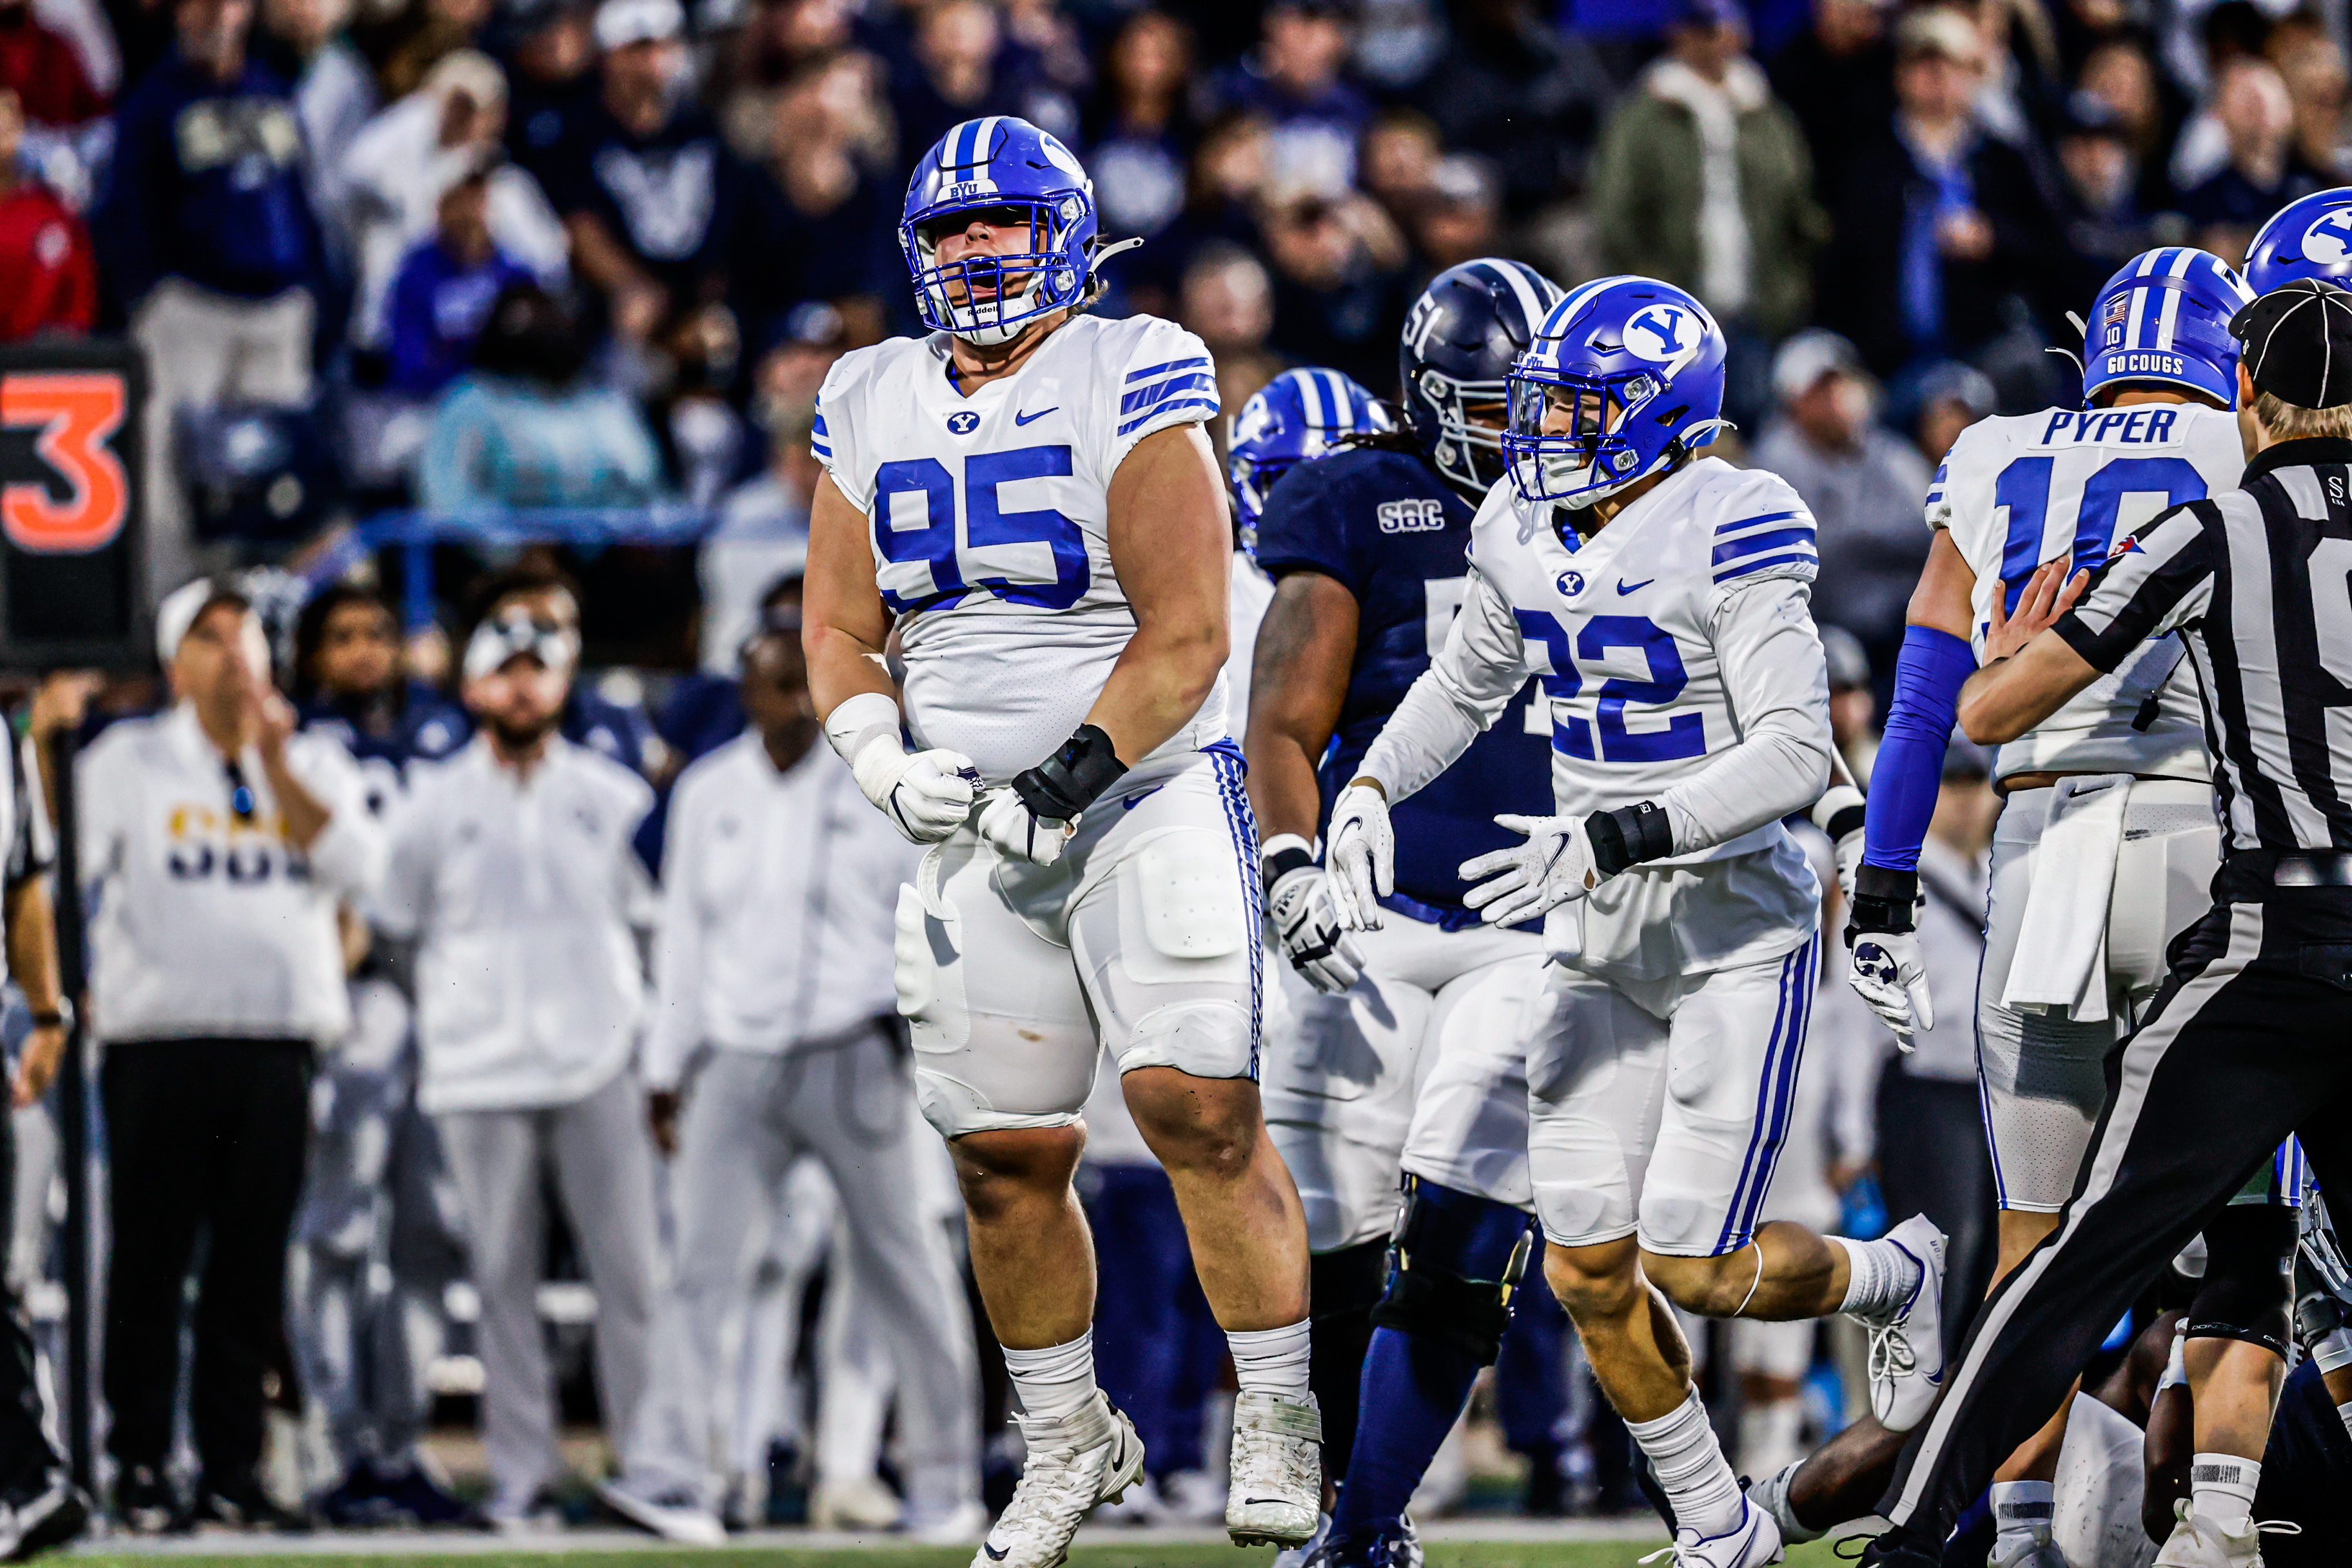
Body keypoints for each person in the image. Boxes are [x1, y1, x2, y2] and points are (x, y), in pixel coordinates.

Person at [1326, 276, 1945, 1568]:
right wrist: (1372, 782)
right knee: (1584, 1266)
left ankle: (1902, 1275)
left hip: (1728, 924)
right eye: (1547, 401)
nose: (1549, 428)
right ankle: (1722, 1525)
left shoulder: (1739, 516)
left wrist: (1615, 832)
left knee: (1696, 1263)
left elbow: (1789, 751)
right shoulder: (1517, 517)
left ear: (1669, 414)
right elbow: (1463, 679)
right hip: (1594, 926)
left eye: (1584, 403)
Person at [801, 115, 1320, 1568]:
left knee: (1194, 1106)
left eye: (1004, 224)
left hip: (1141, 796)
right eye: (952, 231)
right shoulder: (869, 389)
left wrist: (1073, 770)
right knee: (1002, 1155)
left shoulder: (1132, 365)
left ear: (1072, 236)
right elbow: (837, 625)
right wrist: (876, 756)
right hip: (974, 821)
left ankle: (1275, 1410)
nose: (976, 253)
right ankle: (1068, 1436)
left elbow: (1191, 629)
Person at [1857, 274, 2352, 1568]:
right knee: (2255, 1233)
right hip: (2216, 844)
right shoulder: (2233, 465)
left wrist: (1886, 881)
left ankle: (2006, 1535)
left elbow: (1940, 704)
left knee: (2052, 1250)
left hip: (2058, 850)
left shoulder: (2014, 455)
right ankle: (2226, 1522)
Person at [1238, 268, 1563, 1568]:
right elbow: (1282, 719)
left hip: (1535, 919)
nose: (1531, 435)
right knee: (1328, 1224)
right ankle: (1342, 1508)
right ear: (1430, 397)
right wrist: (1287, 864)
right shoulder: (1357, 494)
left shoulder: (1617, 512)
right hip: (1370, 907)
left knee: (1466, 1214)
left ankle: (1371, 1517)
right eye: (1499, 406)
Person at [598, 588, 984, 1547]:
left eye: (802, 684)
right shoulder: (707, 790)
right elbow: (684, 933)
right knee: (700, 1270)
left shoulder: (887, 784)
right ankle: (674, 1475)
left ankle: (948, 1485)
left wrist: (936, 1050)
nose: (792, 702)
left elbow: (939, 925)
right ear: (746, 691)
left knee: (909, 1270)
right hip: (736, 1053)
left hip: (856, 1051)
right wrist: (664, 1065)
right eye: (772, 685)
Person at [81, 578, 383, 1533]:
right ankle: (137, 1464)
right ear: (177, 663)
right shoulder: (124, 762)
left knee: (251, 1274)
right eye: (209, 638)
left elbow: (362, 875)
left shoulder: (316, 759)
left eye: (245, 636)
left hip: (275, 1043)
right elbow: (68, 877)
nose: (232, 655)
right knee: (149, 1267)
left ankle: (231, 1468)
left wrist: (276, 760)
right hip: (159, 1042)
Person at [376, 604, 662, 1531]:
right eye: (504, 671)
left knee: (632, 1276)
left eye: (538, 670)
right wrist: (454, 1020)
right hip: (479, 1072)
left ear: (563, 682)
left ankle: (651, 1469)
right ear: (472, 688)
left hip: (597, 1057)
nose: (523, 686)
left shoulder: (613, 795)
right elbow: (397, 932)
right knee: (500, 1280)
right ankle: (520, 1478)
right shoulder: (431, 805)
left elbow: (653, 923)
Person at [284, 584, 473, 1528]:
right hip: (350, 993)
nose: (363, 653)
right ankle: (335, 1442)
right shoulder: (297, 743)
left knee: (432, 1229)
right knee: (336, 1227)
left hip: (443, 994)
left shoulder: (446, 736)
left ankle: (400, 1443)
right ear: (314, 654)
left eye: (376, 635)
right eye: (343, 637)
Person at [93, 0, 329, 601]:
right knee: (169, 468)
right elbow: (123, 210)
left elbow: (302, 199)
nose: (213, 16)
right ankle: (174, 614)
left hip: (277, 309)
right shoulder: (154, 101)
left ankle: (271, 612)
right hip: (190, 307)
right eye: (199, 3)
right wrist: (148, 298)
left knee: (274, 474)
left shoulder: (274, 92)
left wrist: (312, 288)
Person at [1588, 0, 1823, 426]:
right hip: (1676, 318)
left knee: (1760, 429)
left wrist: (1791, 288)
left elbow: (1800, 210)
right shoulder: (1642, 119)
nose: (1711, 41)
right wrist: (1655, 293)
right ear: (1677, 35)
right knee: (1681, 430)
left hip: (1761, 309)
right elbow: (1617, 217)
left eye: (1718, 28)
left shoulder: (1767, 115)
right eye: (1698, 29)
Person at [0, 717, 86, 1559]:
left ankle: (29, 1479)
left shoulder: (2, 737)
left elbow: (25, 882)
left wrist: (46, 1010)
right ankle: (29, 1477)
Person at [1750, 330, 1935, 680]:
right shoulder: (1775, 460)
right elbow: (1809, 557)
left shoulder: (1891, 453)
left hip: (1898, 626)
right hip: (1819, 633)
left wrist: (1853, 539)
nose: (1835, 397)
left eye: (1841, 383)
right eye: (1820, 388)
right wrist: (1873, 543)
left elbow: (1928, 535)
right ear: (1794, 400)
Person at [416, 282, 665, 511]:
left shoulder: (604, 403)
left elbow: (642, 484)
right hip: (502, 552)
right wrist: (509, 550)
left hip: (598, 550)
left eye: (552, 324)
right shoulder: (474, 401)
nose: (544, 340)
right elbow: (446, 495)